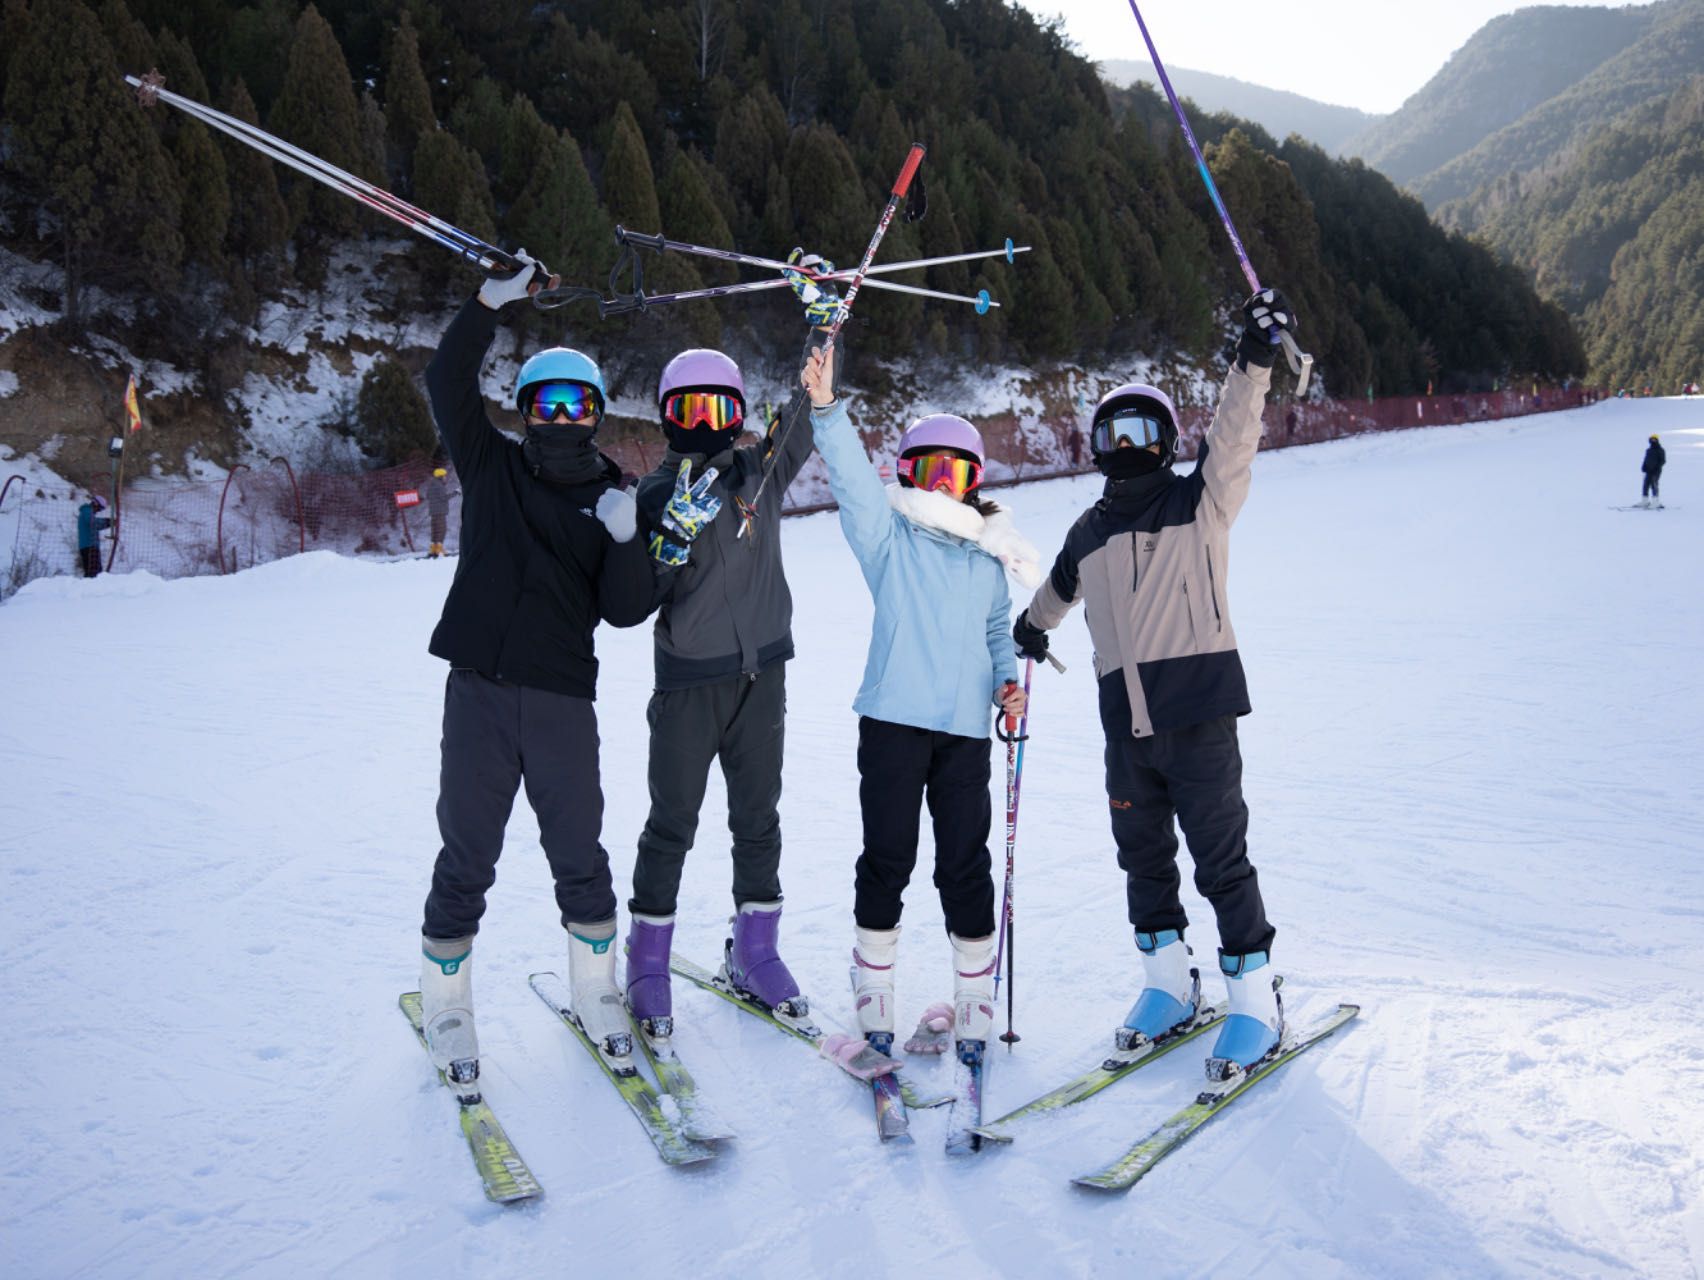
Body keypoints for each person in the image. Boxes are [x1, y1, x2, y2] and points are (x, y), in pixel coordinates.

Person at [1010, 288, 1297, 1079]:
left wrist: (1254, 359)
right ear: (1098, 447)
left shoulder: (1198, 504)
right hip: (1125, 730)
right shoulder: (1088, 531)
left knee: (1220, 861)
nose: (1128, 444)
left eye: (1142, 430)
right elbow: (1058, 590)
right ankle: (1169, 984)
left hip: (1198, 716)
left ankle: (1254, 1002)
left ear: (1166, 441)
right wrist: (1032, 627)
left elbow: (1233, 436)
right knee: (1142, 858)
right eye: (1114, 432)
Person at [416, 252, 677, 1095]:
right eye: (546, 404)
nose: (562, 417)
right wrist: (485, 305)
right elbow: (446, 383)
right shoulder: (492, 467)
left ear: (595, 415)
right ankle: (446, 1002)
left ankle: (597, 991)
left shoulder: (611, 497)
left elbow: (625, 611)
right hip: (481, 692)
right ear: (526, 412)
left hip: (563, 700)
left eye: (578, 405)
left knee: (578, 849)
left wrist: (627, 538)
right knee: (468, 850)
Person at [801, 342, 1042, 1066]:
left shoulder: (986, 561)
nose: (942, 483)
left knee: (964, 864)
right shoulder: (888, 539)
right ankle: (874, 992)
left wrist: (1006, 685)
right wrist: (826, 407)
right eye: (930, 469)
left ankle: (973, 998)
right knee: (888, 856)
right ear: (907, 474)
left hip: (964, 734)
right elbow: (851, 480)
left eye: (956, 472)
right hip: (893, 727)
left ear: (974, 483)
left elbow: (997, 635)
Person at [624, 274, 832, 1033]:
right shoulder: (654, 494)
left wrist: (824, 326)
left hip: (762, 675)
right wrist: (666, 541)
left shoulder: (757, 472)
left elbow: (807, 410)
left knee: (758, 817)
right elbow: (635, 594)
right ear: (667, 417)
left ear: (738, 415)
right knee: (671, 822)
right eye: (690, 411)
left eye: (720, 410)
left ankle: (756, 950)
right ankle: (647, 959)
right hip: (690, 685)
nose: (706, 424)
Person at [76, 495, 110, 578]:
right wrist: (108, 522)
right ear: (95, 504)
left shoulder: (88, 513)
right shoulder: (86, 511)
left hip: (90, 546)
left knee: (95, 572)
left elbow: (94, 524)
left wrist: (108, 522)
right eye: (100, 508)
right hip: (89, 546)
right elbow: (93, 523)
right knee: (93, 574)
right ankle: (88, 586)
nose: (99, 511)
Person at [425, 464, 449, 557]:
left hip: (433, 512)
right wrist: (456, 492)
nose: (445, 478)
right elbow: (444, 498)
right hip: (440, 512)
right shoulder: (440, 486)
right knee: (442, 529)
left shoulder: (431, 485)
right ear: (440, 477)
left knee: (434, 530)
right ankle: (439, 549)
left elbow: (427, 496)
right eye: (444, 476)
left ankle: (433, 549)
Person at [1641, 434, 1665, 508]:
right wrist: (1644, 466)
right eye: (1652, 439)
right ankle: (1645, 501)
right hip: (1648, 470)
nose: (1653, 441)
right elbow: (1646, 459)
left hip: (1656, 471)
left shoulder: (1660, 450)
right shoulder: (1649, 450)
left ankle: (1655, 502)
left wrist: (1656, 467)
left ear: (1657, 440)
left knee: (1654, 485)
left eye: (1654, 439)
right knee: (1645, 485)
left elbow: (1662, 460)